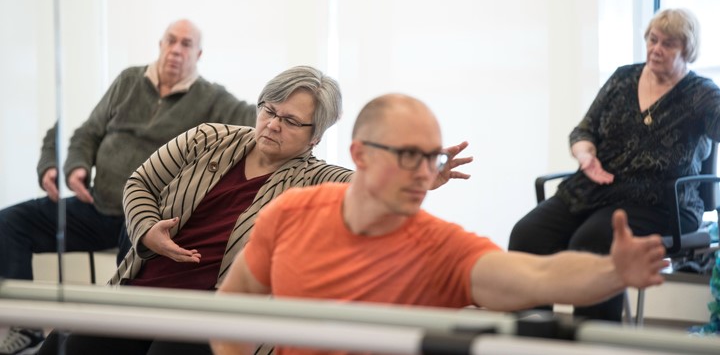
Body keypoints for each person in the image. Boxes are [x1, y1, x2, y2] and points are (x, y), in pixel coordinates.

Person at [37, 68, 472, 355]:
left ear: (315, 136)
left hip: (209, 314)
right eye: (268, 110)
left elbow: (368, 187)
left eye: (290, 121)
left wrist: (417, 175)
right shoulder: (208, 137)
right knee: (77, 346)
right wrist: (147, 229)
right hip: (144, 291)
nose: (272, 124)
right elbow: (141, 183)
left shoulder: (315, 177)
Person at [210, 93, 669, 355]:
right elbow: (231, 312)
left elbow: (538, 275)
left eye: (430, 157)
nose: (424, 171)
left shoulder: (439, 248)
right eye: (409, 155)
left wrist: (612, 272)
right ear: (360, 155)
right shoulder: (292, 215)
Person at [0, 19, 256, 355]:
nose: (176, 50)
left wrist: (288, 119)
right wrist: (76, 165)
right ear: (160, 44)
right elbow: (88, 131)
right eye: (171, 41)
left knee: (135, 276)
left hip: (144, 215)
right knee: (10, 222)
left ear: (199, 54)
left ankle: (118, 337)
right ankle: (26, 325)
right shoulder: (128, 80)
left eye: (186, 44)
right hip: (96, 204)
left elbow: (257, 120)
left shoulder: (212, 98)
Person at [508, 8, 720, 322]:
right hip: (597, 188)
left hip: (662, 201)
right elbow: (584, 130)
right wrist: (585, 155)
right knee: (527, 234)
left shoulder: (702, 94)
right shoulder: (623, 78)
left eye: (668, 44)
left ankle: (595, 339)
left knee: (593, 241)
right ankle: (532, 335)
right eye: (652, 39)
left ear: (687, 50)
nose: (656, 49)